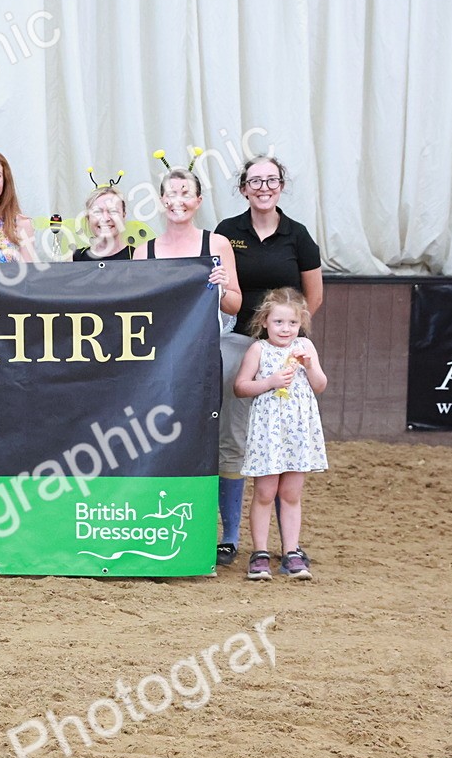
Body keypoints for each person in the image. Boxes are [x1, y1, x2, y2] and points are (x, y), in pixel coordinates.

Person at [214, 156, 323, 568]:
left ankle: (288, 546)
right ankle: (231, 537)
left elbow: (313, 297)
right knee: (234, 435)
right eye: (255, 180)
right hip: (239, 341)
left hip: (284, 348)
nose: (263, 187)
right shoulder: (228, 232)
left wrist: (289, 335)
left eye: (271, 180)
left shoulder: (299, 236)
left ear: (281, 186)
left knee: (286, 440)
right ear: (244, 187)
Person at [233, 287, 327, 581]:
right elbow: (241, 386)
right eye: (278, 322)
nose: (285, 329)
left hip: (298, 431)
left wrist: (310, 366)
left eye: (292, 323)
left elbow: (320, 385)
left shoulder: (305, 348)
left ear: (301, 324)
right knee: (264, 492)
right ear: (264, 322)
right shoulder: (259, 350)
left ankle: (291, 552)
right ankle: (260, 553)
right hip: (268, 431)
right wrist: (270, 382)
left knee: (291, 493)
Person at [132, 166, 242, 318]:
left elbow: (234, 306)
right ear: (162, 201)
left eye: (186, 194)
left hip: (203, 339)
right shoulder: (142, 252)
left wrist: (221, 290)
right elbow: (136, 306)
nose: (178, 201)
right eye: (171, 194)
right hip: (157, 339)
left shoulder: (218, 244)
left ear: (198, 201)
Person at [73, 186, 134, 261]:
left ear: (123, 216)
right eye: (97, 212)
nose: (105, 218)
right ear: (88, 218)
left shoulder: (138, 257)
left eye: (113, 211)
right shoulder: (74, 260)